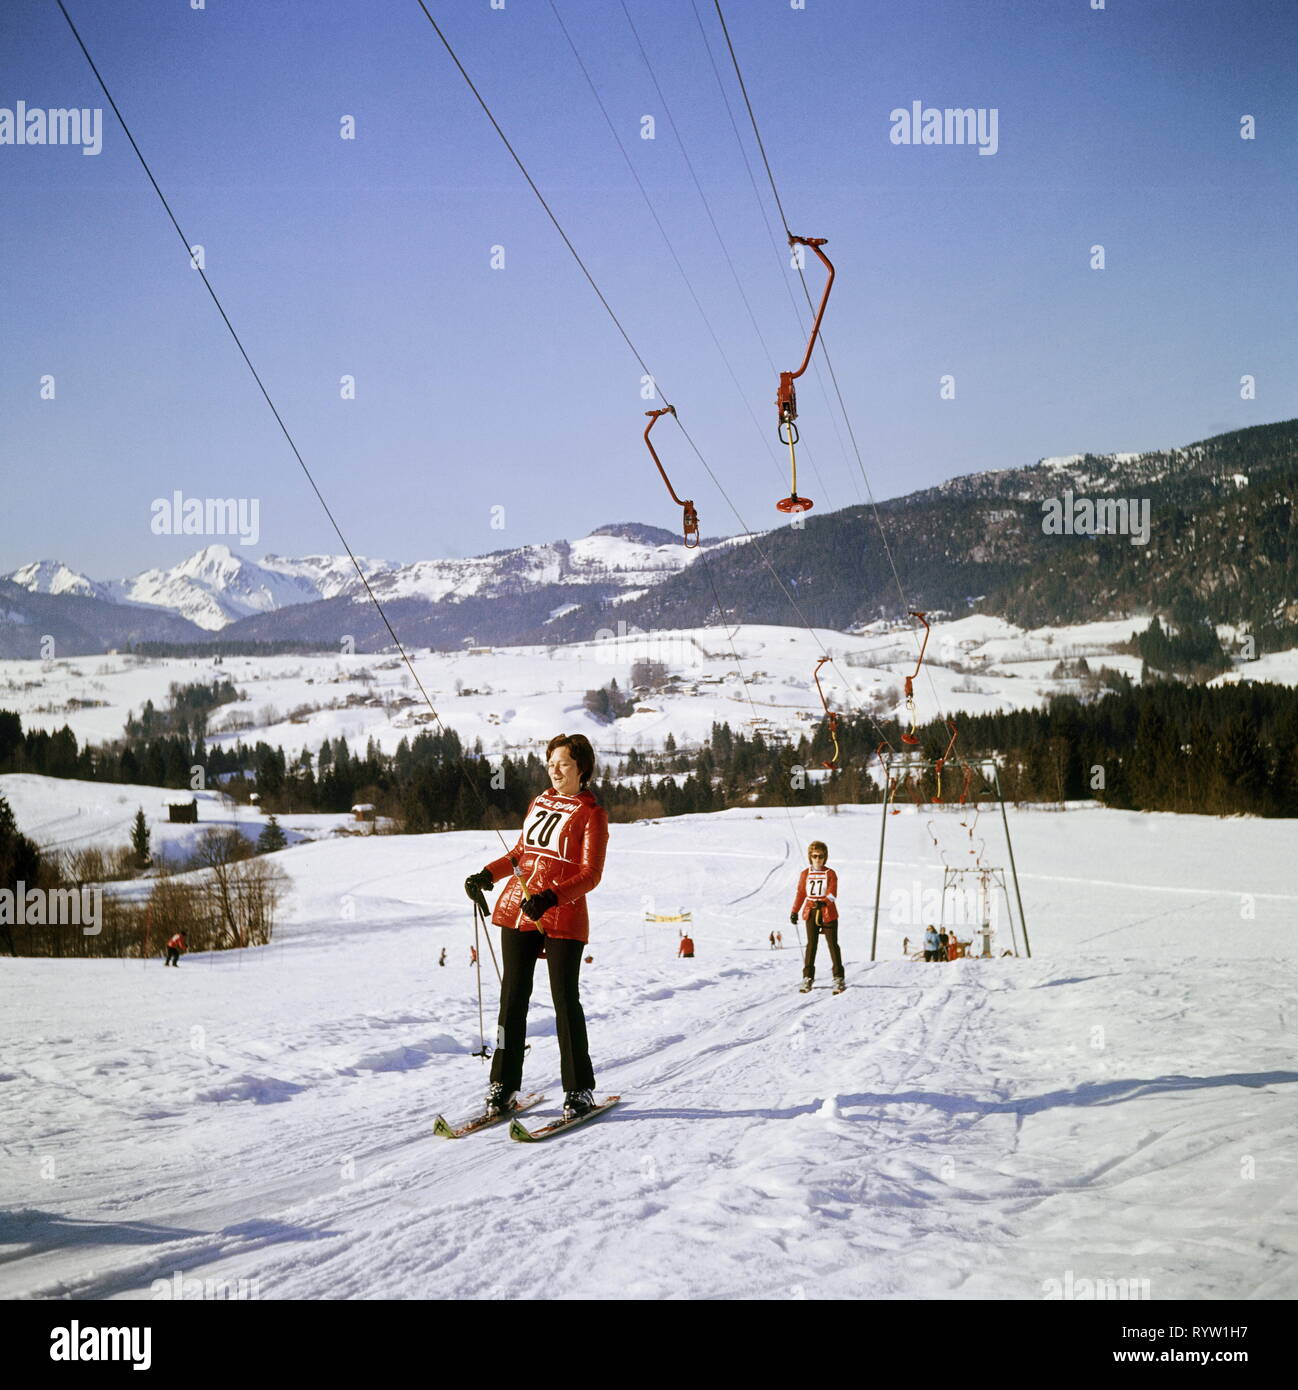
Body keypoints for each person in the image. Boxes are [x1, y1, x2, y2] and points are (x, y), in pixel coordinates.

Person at [463, 733, 607, 1122]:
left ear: (582, 769)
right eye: (551, 764)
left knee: (565, 1002)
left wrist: (552, 897)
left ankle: (578, 1090)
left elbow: (591, 874)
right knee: (512, 1000)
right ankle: (504, 1086)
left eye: (563, 764)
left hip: (563, 914)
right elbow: (520, 853)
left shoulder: (591, 813)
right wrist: (486, 875)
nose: (555, 771)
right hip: (518, 907)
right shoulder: (540, 801)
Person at [790, 841, 843, 993]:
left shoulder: (830, 873)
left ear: (825, 857)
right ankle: (808, 978)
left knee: (833, 945)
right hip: (811, 911)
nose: (817, 859)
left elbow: (833, 894)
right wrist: (794, 911)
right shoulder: (805, 874)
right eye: (814, 856)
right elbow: (801, 893)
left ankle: (838, 978)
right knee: (811, 945)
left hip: (828, 912)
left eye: (821, 856)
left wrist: (824, 902)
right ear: (810, 857)